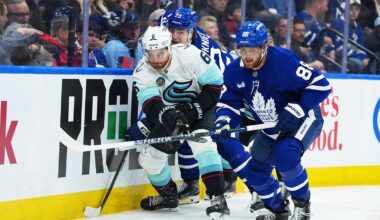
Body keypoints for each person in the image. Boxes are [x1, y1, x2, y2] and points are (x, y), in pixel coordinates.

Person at [211, 21, 331, 220]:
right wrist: (223, 121)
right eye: (242, 50)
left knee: (285, 156)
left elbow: (321, 84)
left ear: (264, 47)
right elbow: (229, 104)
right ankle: (278, 209)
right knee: (256, 174)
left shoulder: (283, 61)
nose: (247, 56)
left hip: (302, 119)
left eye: (252, 50)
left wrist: (299, 107)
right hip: (271, 125)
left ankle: (303, 208)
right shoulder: (233, 71)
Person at [131, 26, 230, 218]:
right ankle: (169, 196)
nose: (156, 59)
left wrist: (195, 108)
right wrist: (168, 115)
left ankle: (218, 199)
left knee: (201, 143)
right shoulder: (142, 71)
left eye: (160, 53)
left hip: (202, 106)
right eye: (150, 54)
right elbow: (151, 105)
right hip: (173, 114)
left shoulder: (190, 55)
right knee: (149, 158)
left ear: (169, 47)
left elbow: (215, 84)